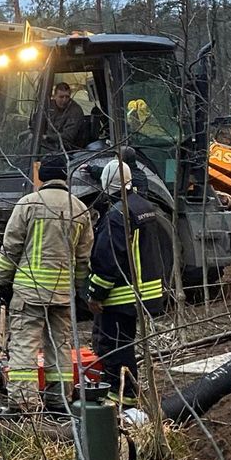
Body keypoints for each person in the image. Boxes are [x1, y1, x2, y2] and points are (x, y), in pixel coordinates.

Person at [0, 153, 93, 410]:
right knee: (60, 346)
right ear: (65, 176)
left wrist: (0, 284)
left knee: (25, 347)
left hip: (29, 293)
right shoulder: (79, 209)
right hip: (62, 293)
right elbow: (83, 258)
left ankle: (25, 403)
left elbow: (10, 248)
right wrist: (80, 290)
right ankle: (59, 399)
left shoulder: (27, 204)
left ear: (42, 176)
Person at [87, 159, 169, 397]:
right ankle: (128, 397)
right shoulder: (144, 206)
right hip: (146, 292)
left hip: (122, 296)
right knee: (126, 344)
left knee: (112, 348)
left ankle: (120, 399)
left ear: (106, 183)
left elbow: (108, 260)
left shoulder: (116, 215)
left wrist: (95, 294)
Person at [46, 80, 90, 152]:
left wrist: (47, 137)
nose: (64, 100)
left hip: (71, 150)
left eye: (67, 97)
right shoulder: (48, 107)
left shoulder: (75, 111)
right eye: (61, 97)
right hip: (49, 145)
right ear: (54, 96)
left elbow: (68, 136)